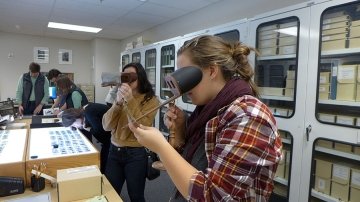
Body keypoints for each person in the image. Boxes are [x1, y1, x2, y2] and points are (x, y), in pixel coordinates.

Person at [128, 35, 283, 201]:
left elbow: (213, 196)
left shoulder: (248, 115)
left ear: (212, 70)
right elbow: (191, 167)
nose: (181, 84)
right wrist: (180, 133)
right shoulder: (208, 111)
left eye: (186, 73)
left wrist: (160, 146)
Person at [102, 62, 160, 201]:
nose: (127, 80)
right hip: (114, 152)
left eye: (131, 76)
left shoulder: (151, 100)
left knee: (136, 195)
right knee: (109, 193)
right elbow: (106, 126)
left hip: (136, 154)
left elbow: (141, 127)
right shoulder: (118, 96)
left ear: (140, 78)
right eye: (124, 76)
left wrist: (130, 99)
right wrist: (118, 103)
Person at [60, 103, 111, 173]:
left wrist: (89, 129)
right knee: (103, 161)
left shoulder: (89, 113)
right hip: (109, 135)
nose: (76, 127)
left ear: (74, 118)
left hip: (115, 136)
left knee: (104, 163)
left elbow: (101, 134)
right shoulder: (85, 111)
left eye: (74, 125)